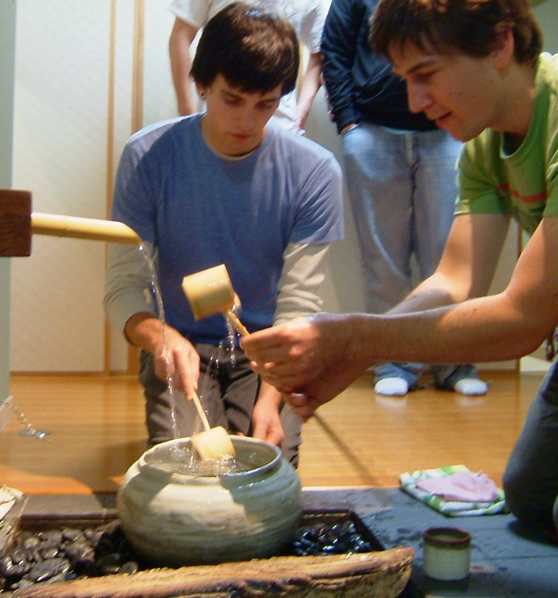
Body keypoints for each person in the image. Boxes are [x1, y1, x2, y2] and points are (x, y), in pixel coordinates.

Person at [242, 0, 558, 530]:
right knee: (530, 500)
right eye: (405, 80)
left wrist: (353, 339)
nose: (415, 101)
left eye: (426, 75)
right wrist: (350, 359)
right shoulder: (484, 141)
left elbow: (524, 320)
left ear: (501, 44)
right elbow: (455, 282)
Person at [105, 2, 344, 466]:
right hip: (181, 340)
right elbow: (122, 287)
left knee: (265, 467)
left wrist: (271, 401)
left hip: (267, 348)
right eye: (232, 99)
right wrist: (159, 338)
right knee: (191, 468)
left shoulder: (315, 172)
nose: (248, 121)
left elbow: (298, 306)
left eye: (266, 105)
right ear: (201, 85)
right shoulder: (148, 156)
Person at [321, 0, 487, 397]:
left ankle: (455, 362)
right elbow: (335, 50)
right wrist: (348, 122)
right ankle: (393, 363)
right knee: (384, 260)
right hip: (372, 134)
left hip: (446, 134)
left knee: (448, 254)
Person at [168, 0, 328, 132]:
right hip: (219, 119)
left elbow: (318, 53)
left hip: (282, 123)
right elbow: (181, 35)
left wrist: (303, 108)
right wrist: (187, 114)